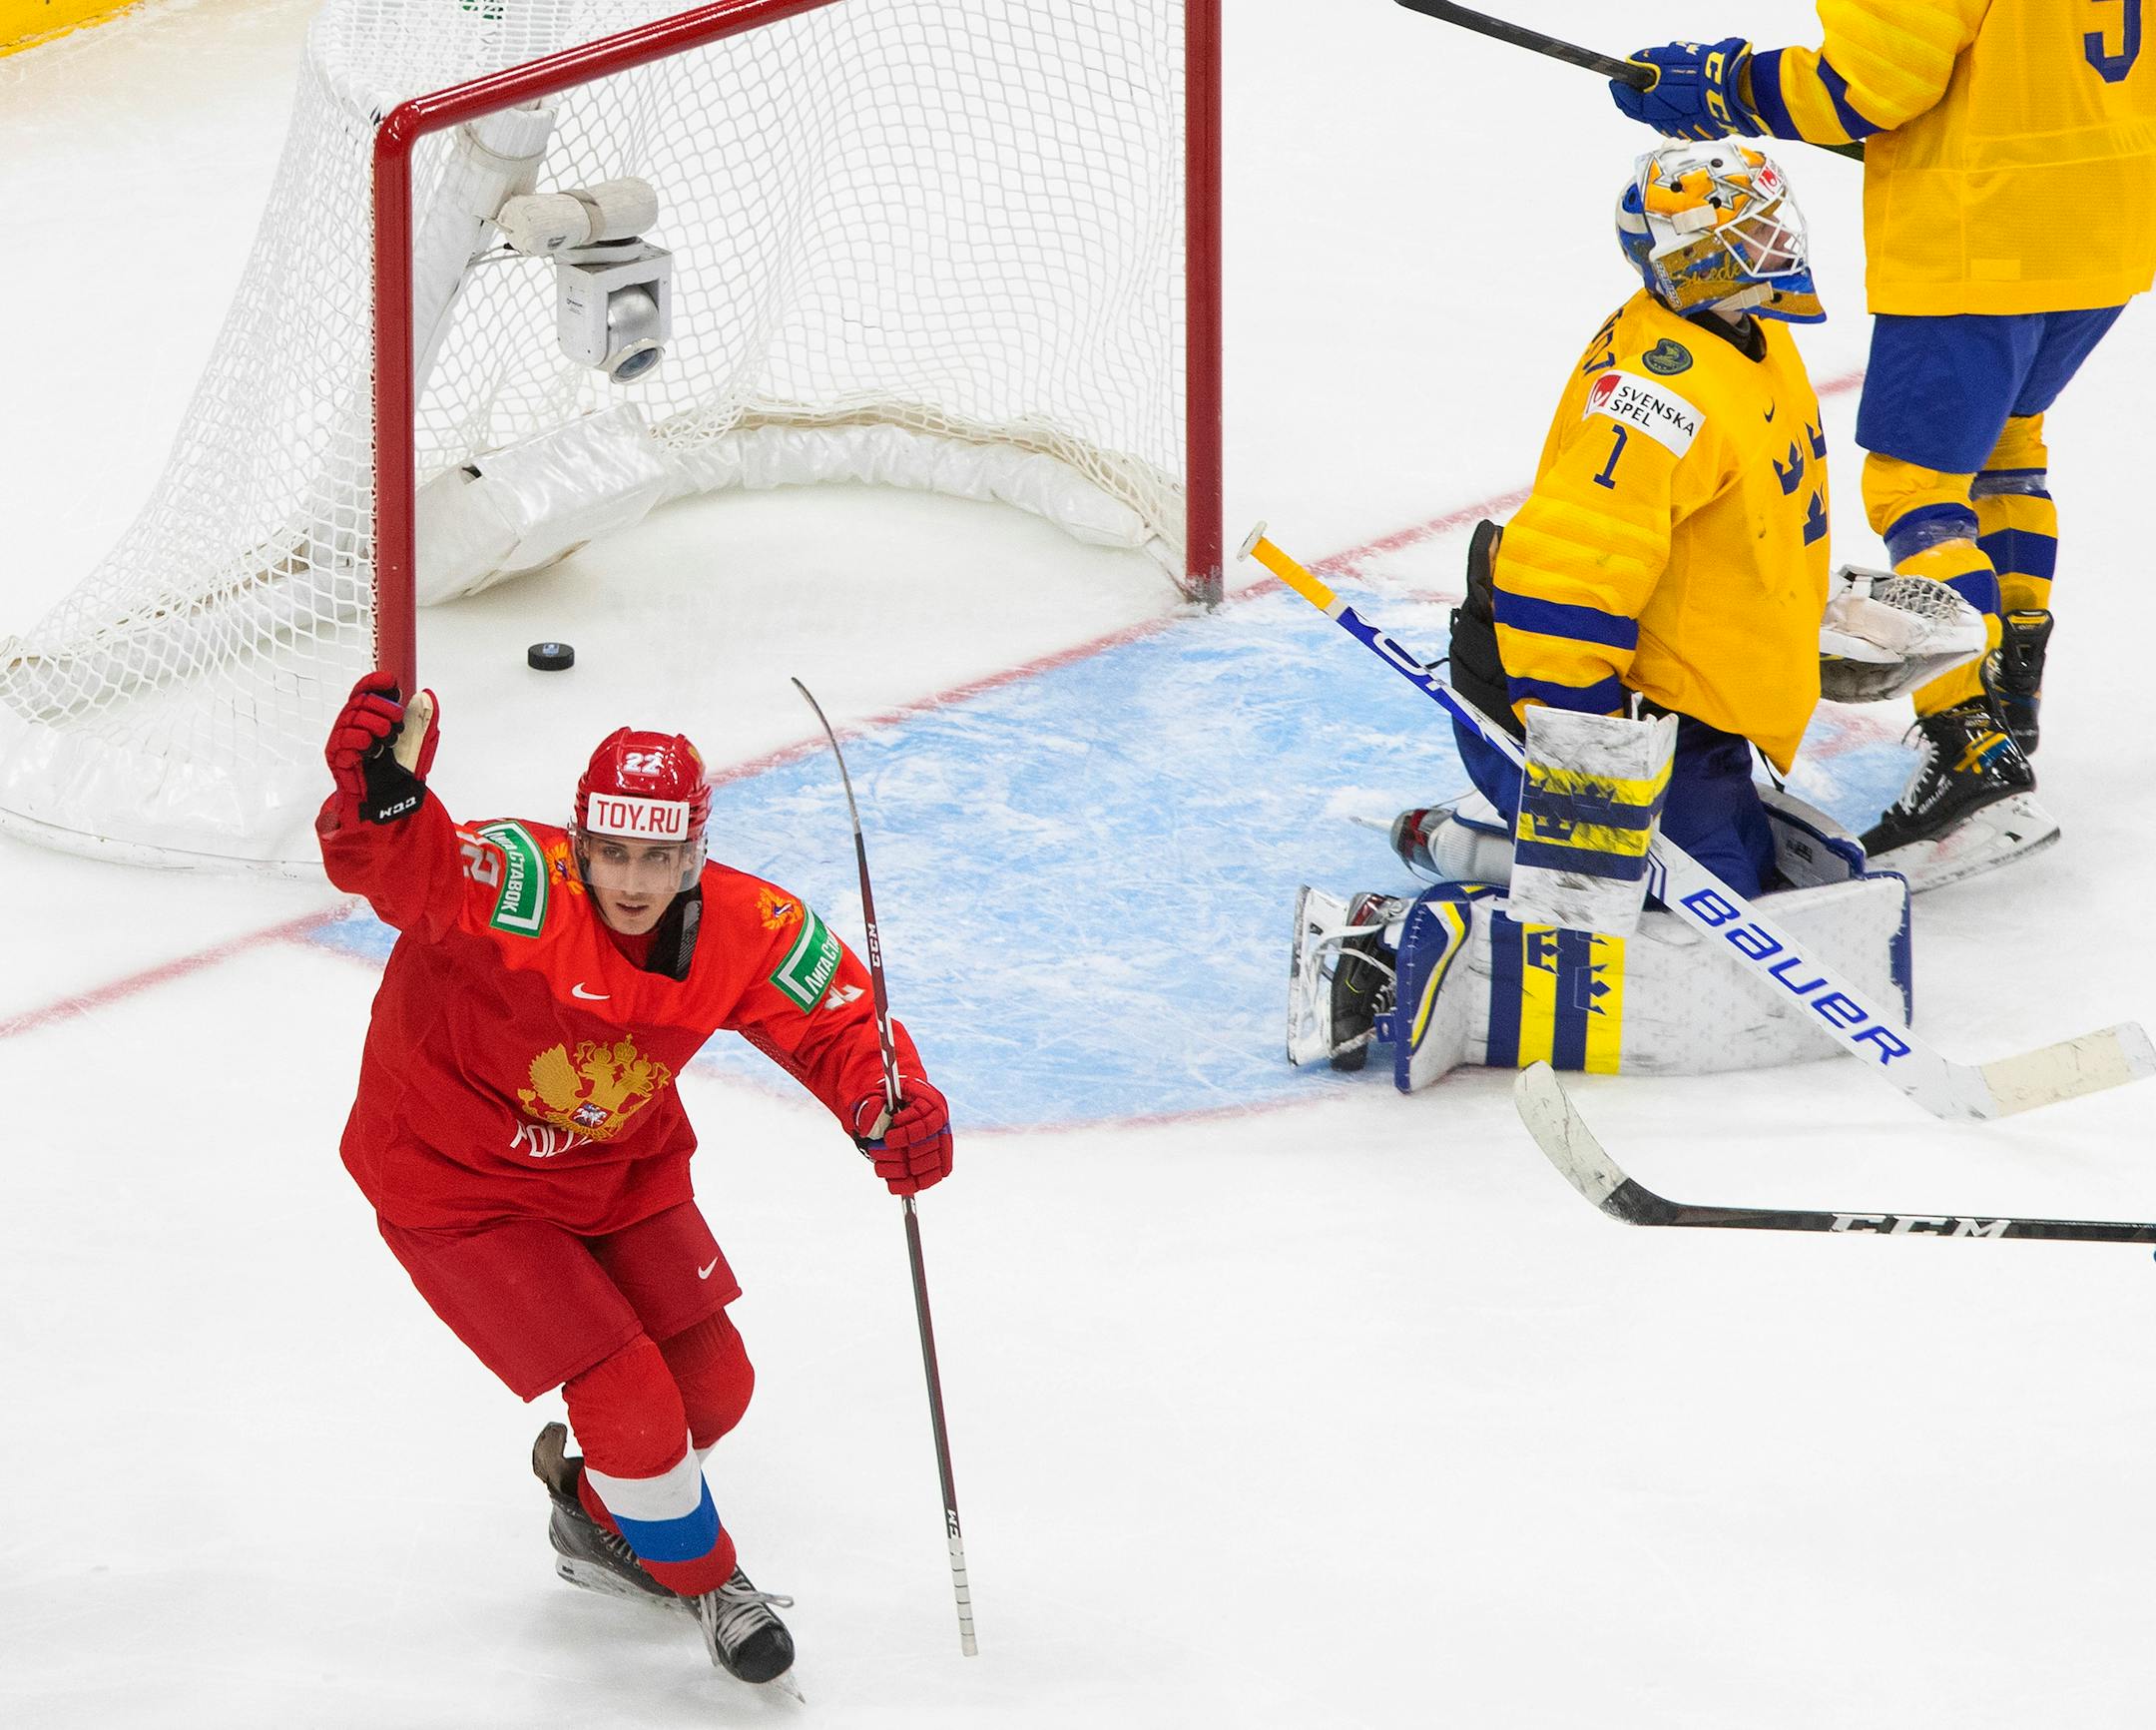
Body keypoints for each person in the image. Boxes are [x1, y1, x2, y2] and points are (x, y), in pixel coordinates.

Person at [316, 670, 954, 1687]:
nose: (632, 878)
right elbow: (410, 873)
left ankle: (598, 1511)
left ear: (696, 852)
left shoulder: (753, 927)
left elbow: (835, 1020)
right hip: (461, 1186)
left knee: (714, 1386)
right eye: (611, 850)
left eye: (659, 855)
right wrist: (384, 802)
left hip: (620, 1170)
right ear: (578, 841)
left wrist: (890, 1100)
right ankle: (712, 1577)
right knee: (636, 1406)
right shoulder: (518, 881)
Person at [1290, 139, 1914, 1091]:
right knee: (1685, 923)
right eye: (1752, 227)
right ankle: (1376, 937)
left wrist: (1796, 613)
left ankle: (1461, 835)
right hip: (1580, 696)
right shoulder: (1655, 396)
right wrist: (1583, 747)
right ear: (1696, 258)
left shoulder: (1746, 329)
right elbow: (1560, 577)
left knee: (1741, 869)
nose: (1778, 237)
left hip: (1676, 708)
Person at [1609, 1, 2156, 884]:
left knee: (1920, 485)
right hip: (2111, 218)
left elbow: (1864, 89)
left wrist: (1721, 84)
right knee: (2007, 446)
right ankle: (2007, 704)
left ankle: (1972, 747)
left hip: (1983, 230)